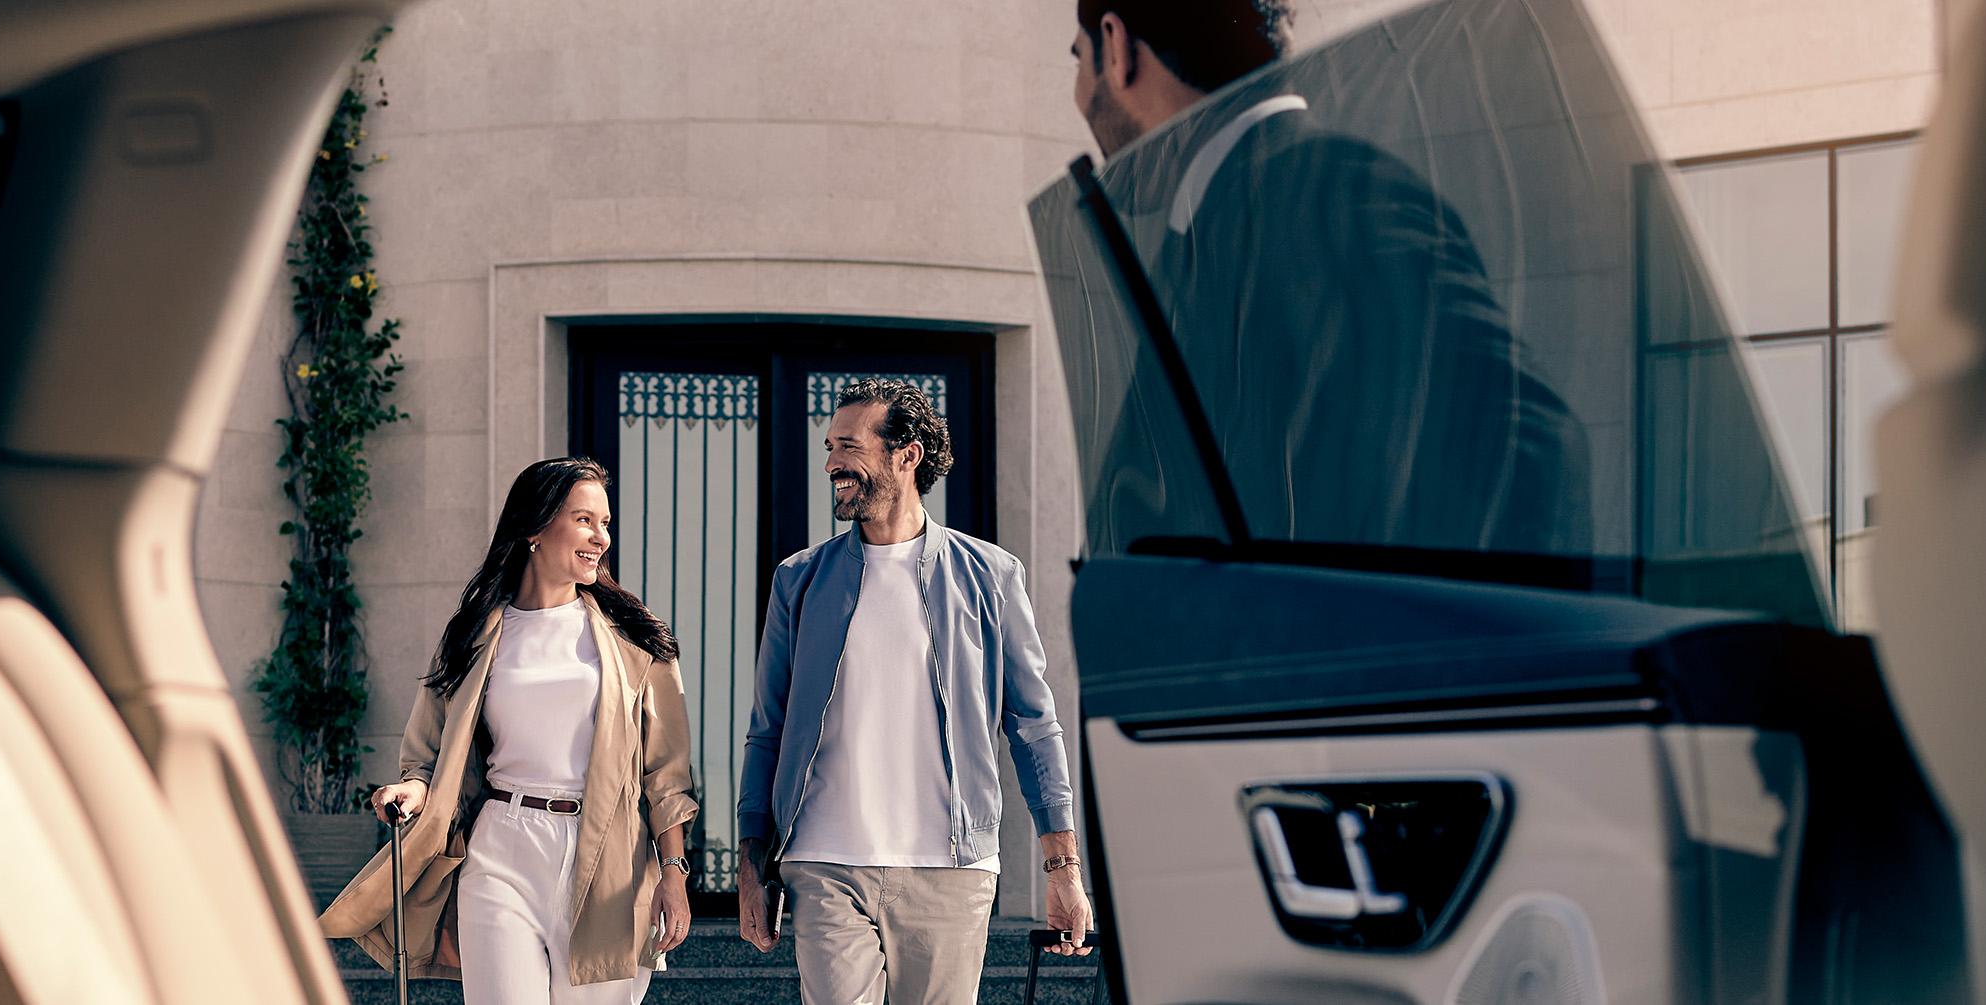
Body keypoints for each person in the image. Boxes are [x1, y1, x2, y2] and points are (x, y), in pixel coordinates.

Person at [1070, 0, 1587, 556]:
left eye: (1079, 60)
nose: (1077, 93)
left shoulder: (1321, 193)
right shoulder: (1236, 209)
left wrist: (1357, 635)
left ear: (1116, 46)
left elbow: (1528, 449)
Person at [736, 378, 1090, 1005]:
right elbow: (770, 728)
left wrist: (1062, 869)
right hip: (824, 861)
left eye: (848, 446)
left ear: (907, 454)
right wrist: (751, 860)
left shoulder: (991, 576)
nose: (831, 464)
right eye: (828, 447)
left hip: (950, 869)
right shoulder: (800, 580)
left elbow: (1034, 726)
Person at [317, 457, 698, 1005]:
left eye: (605, 523)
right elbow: (426, 752)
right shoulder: (474, 634)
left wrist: (674, 873)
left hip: (606, 860)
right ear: (535, 527)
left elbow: (666, 775)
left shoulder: (634, 641)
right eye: (585, 520)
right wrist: (412, 788)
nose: (601, 537)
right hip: (501, 847)